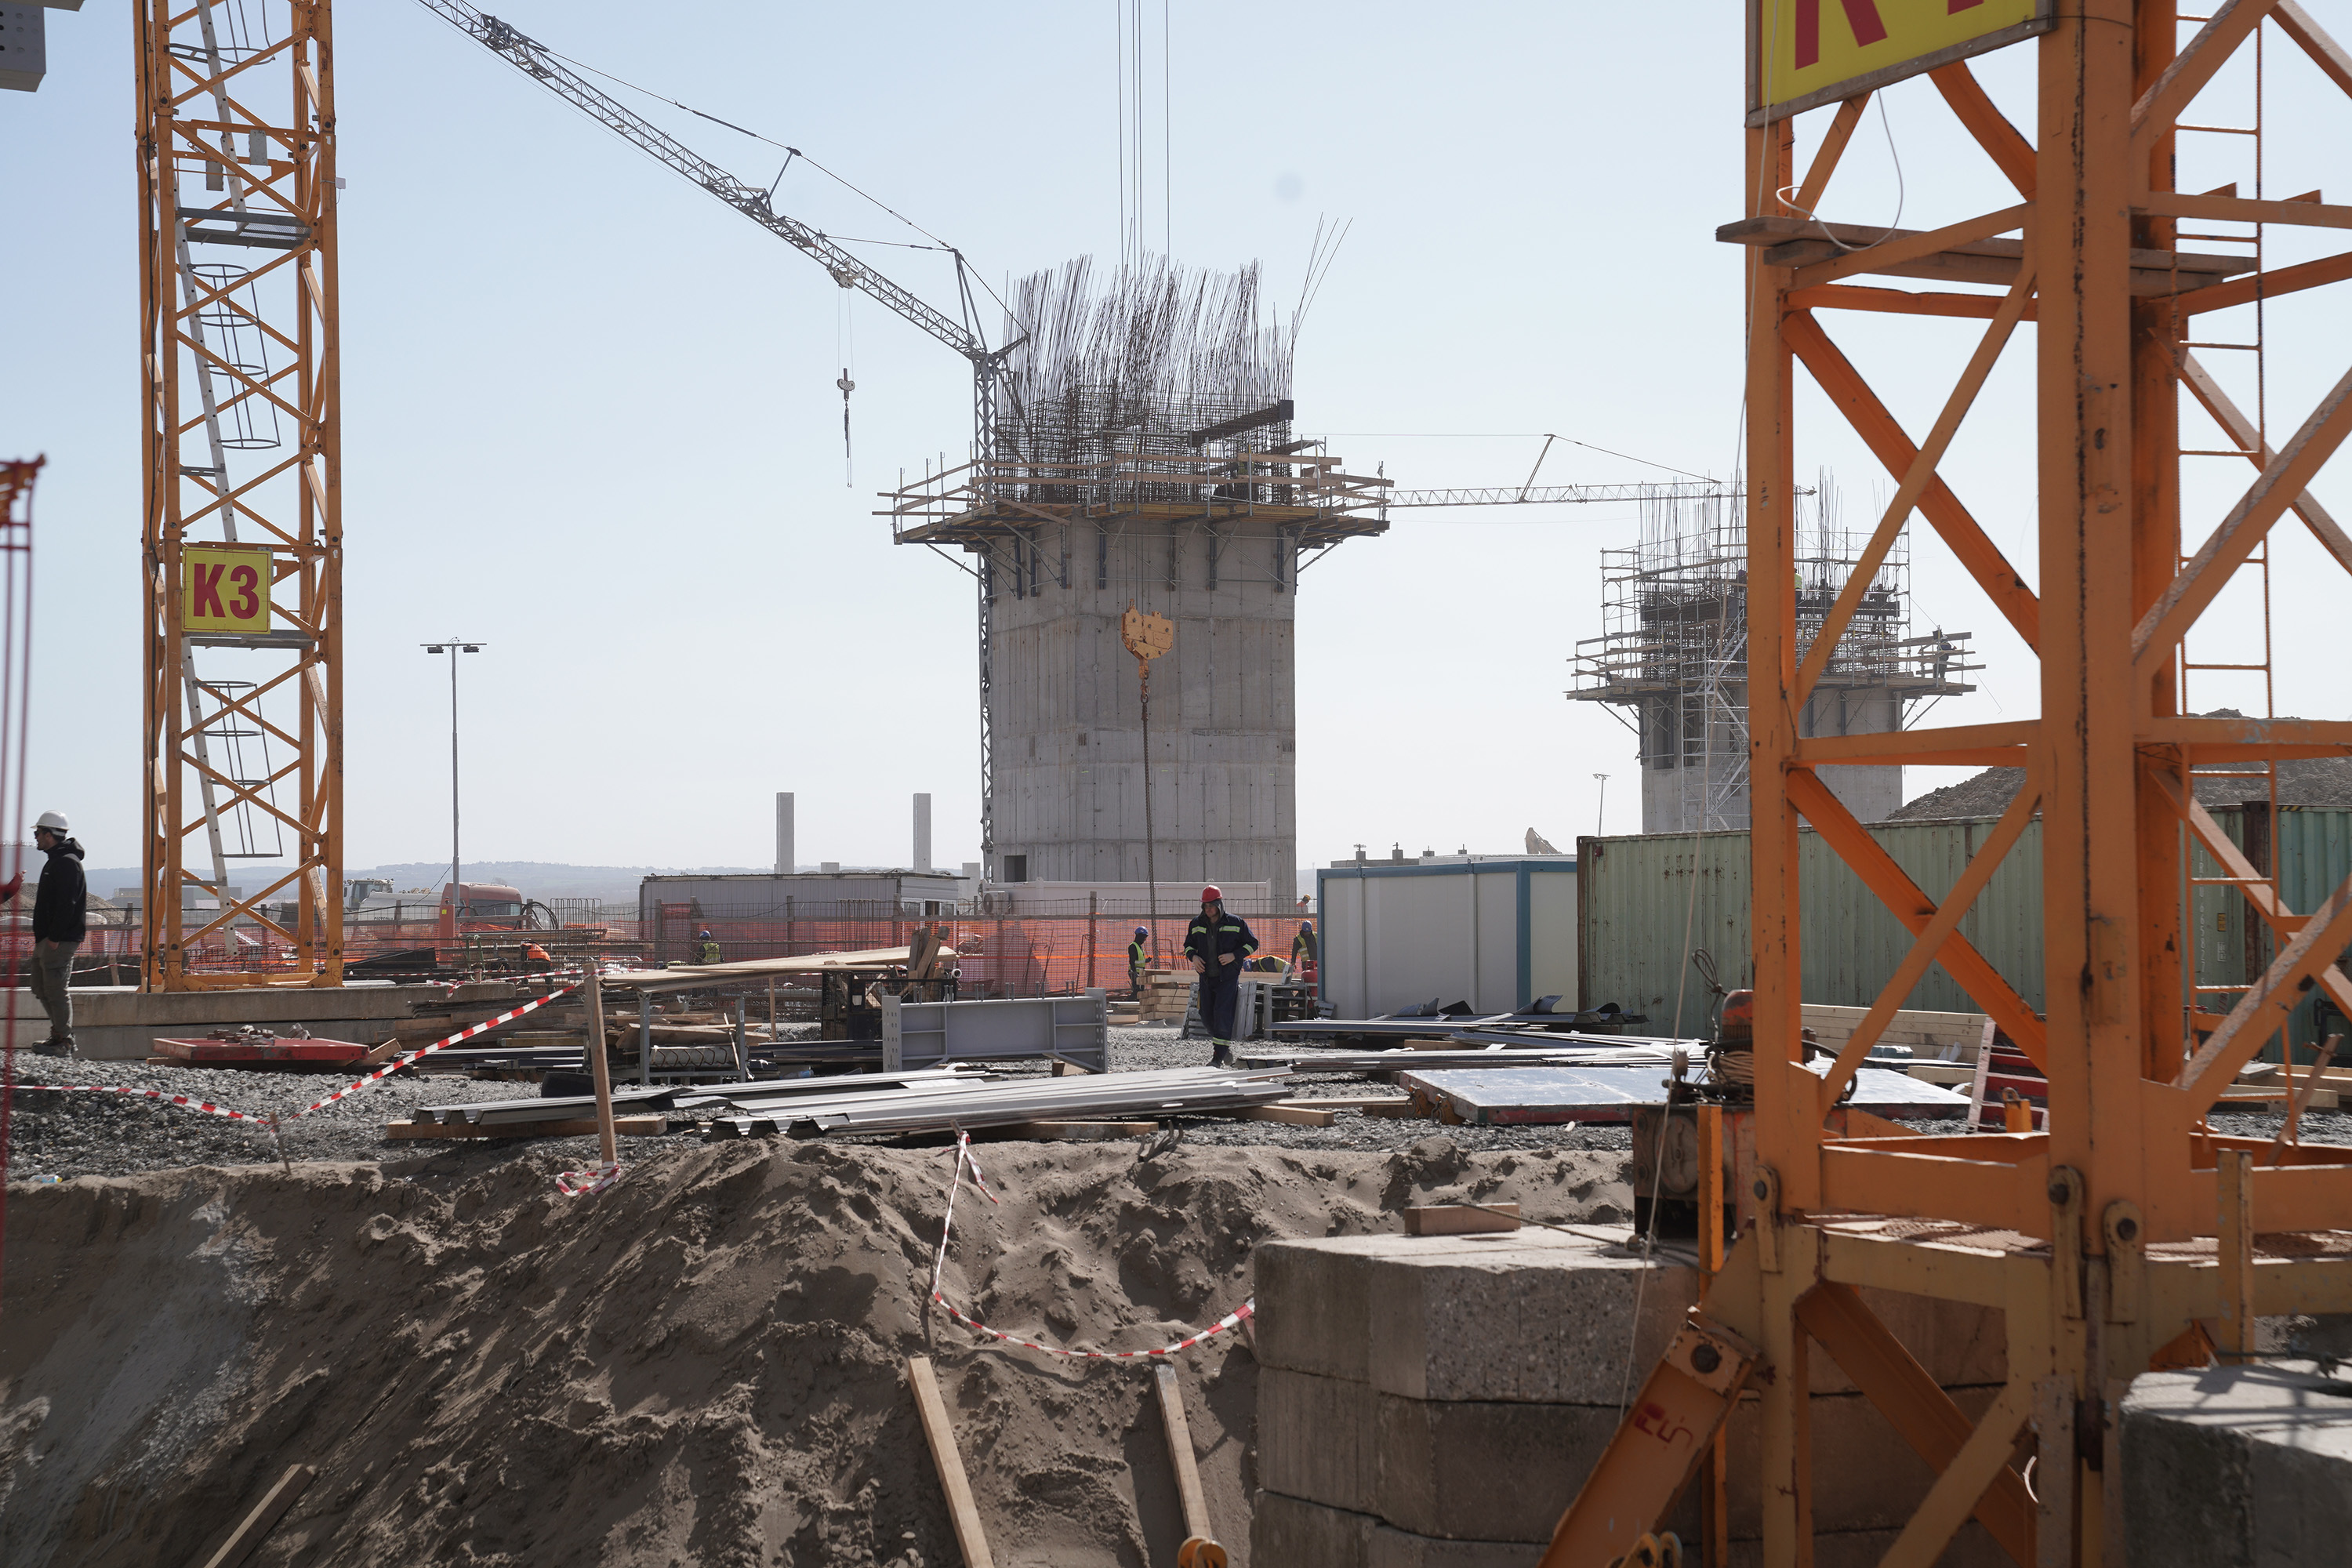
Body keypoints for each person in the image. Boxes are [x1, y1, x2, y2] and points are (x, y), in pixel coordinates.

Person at [22, 811, 85, 1057]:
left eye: (38, 833)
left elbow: (67, 904)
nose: (36, 837)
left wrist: (56, 937)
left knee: (56, 989)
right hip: (48, 938)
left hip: (59, 940)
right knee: (40, 987)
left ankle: (64, 1039)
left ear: (49, 834)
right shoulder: (57, 861)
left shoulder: (67, 863)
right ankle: (60, 1034)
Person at [1183, 885, 1257, 1066]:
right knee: (1206, 1015)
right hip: (1206, 978)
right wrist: (1194, 957)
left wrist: (1234, 955)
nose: (1208, 909)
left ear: (1219, 904)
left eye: (1211, 905)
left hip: (1227, 979)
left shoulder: (1236, 923)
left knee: (1222, 1014)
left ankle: (1217, 1057)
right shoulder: (1196, 924)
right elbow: (1188, 946)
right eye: (1205, 906)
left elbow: (1252, 944)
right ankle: (1223, 1047)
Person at [1127, 924, 1152, 1000]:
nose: (1145, 939)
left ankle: (1138, 1003)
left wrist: (1146, 961)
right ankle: (1129, 1002)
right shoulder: (1133, 946)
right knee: (1137, 990)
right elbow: (1132, 961)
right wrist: (1134, 972)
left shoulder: (1139, 947)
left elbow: (1139, 961)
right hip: (1135, 972)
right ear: (1139, 936)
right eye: (1144, 937)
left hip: (1140, 972)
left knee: (1141, 990)